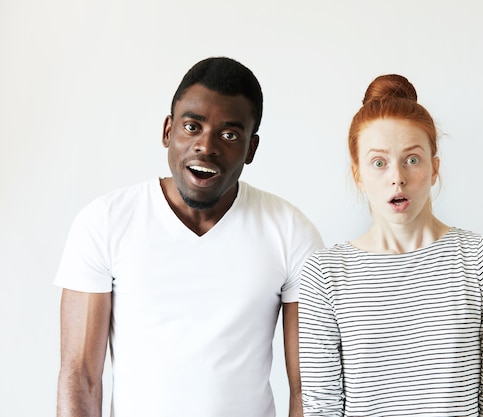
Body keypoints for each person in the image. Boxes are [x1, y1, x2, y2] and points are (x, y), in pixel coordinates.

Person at [55, 57, 324, 417]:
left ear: (251, 148)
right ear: (168, 131)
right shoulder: (104, 221)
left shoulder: (291, 232)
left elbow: (308, 387)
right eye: (192, 126)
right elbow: (81, 378)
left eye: (229, 135)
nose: (206, 146)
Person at [298, 74, 483, 416]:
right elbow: (320, 405)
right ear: (358, 175)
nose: (397, 176)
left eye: (412, 159)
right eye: (379, 162)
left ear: (434, 168)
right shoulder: (324, 275)